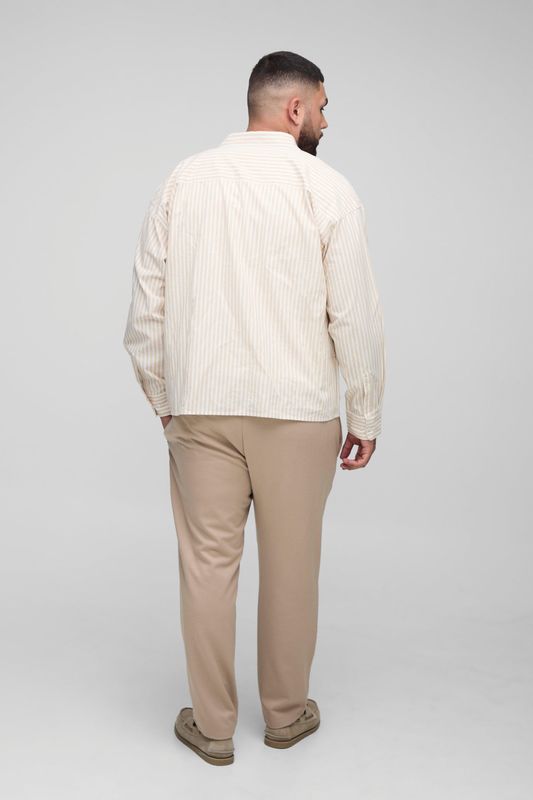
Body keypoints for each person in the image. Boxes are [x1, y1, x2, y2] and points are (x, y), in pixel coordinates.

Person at [123, 50, 386, 766]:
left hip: (200, 410)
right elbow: (354, 318)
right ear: (295, 109)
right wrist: (364, 414)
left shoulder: (183, 181)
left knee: (207, 566)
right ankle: (285, 716)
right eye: (323, 107)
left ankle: (212, 728)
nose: (326, 120)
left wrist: (166, 401)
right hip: (298, 413)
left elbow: (146, 312)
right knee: (292, 566)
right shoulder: (327, 189)